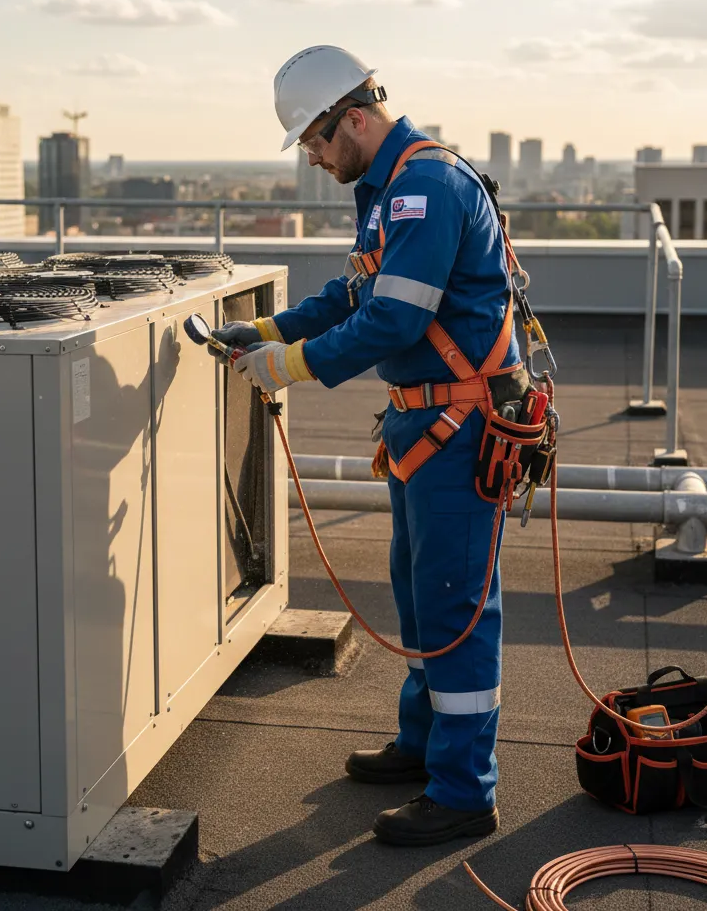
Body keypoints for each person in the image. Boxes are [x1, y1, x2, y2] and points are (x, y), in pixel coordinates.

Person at [212, 45, 528, 846]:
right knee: (422, 594)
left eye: (316, 141)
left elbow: (394, 321)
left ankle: (464, 791)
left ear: (354, 117)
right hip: (424, 425)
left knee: (455, 606)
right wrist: (267, 328)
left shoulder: (426, 185)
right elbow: (357, 291)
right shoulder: (388, 189)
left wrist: (282, 366)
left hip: (457, 428)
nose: (314, 159)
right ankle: (425, 748)